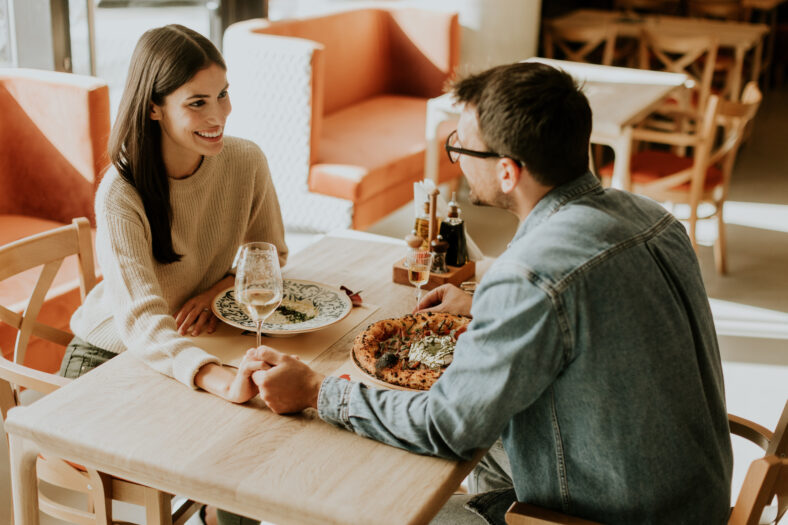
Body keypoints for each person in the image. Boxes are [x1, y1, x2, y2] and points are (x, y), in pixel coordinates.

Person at [248, 62, 734, 524]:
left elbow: (445, 427)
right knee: (477, 449)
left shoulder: (529, 275)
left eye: (460, 146)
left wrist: (317, 390)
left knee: (361, 504)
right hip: (688, 497)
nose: (455, 158)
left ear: (507, 171)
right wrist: (485, 302)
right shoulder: (654, 217)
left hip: (606, 519)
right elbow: (595, 309)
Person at [61, 24, 287, 406]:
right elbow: (141, 323)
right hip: (107, 358)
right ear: (153, 107)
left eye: (223, 95)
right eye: (197, 103)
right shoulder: (121, 192)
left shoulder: (247, 161)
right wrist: (219, 379)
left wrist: (216, 292)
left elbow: (271, 257)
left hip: (190, 346)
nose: (218, 116)